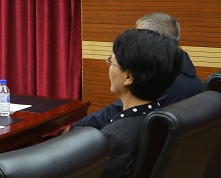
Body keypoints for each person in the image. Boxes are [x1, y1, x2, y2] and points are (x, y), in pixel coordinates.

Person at [73, 28, 183, 178]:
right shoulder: (160, 119)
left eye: (111, 61)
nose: (109, 67)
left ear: (128, 77)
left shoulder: (116, 139)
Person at [72, 13, 204, 129]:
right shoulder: (184, 69)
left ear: (153, 41)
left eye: (139, 36)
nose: (134, 41)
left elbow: (117, 113)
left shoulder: (164, 80)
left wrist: (74, 129)